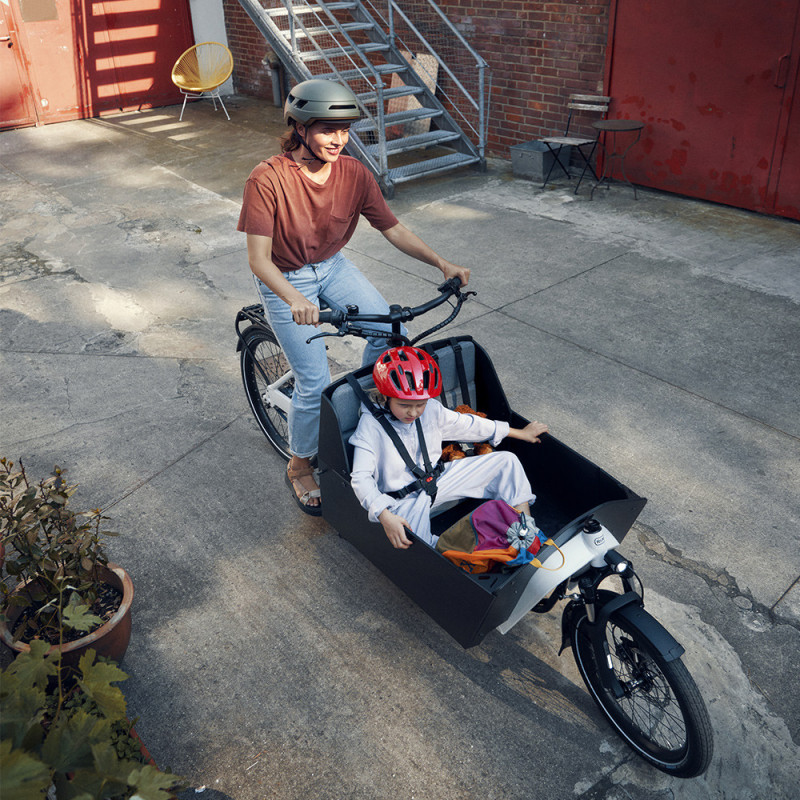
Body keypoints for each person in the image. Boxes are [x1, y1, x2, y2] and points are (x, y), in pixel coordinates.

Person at [238, 79, 470, 516]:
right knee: (313, 380)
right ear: (300, 128)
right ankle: (300, 463)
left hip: (333, 265)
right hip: (285, 276)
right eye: (328, 130)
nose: (338, 140)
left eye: (344, 130)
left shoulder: (353, 173)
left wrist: (441, 263)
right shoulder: (266, 179)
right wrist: (293, 299)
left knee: (388, 326)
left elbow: (393, 229)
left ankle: (363, 406)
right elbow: (259, 260)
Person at [349, 346, 549, 549]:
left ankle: (526, 533)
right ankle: (463, 558)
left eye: (420, 404)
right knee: (415, 543)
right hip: (404, 501)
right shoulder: (370, 426)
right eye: (404, 405)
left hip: (437, 480)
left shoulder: (431, 410)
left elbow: (469, 424)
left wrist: (519, 433)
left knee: (507, 461)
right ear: (385, 396)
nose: (414, 412)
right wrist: (384, 516)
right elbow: (360, 478)